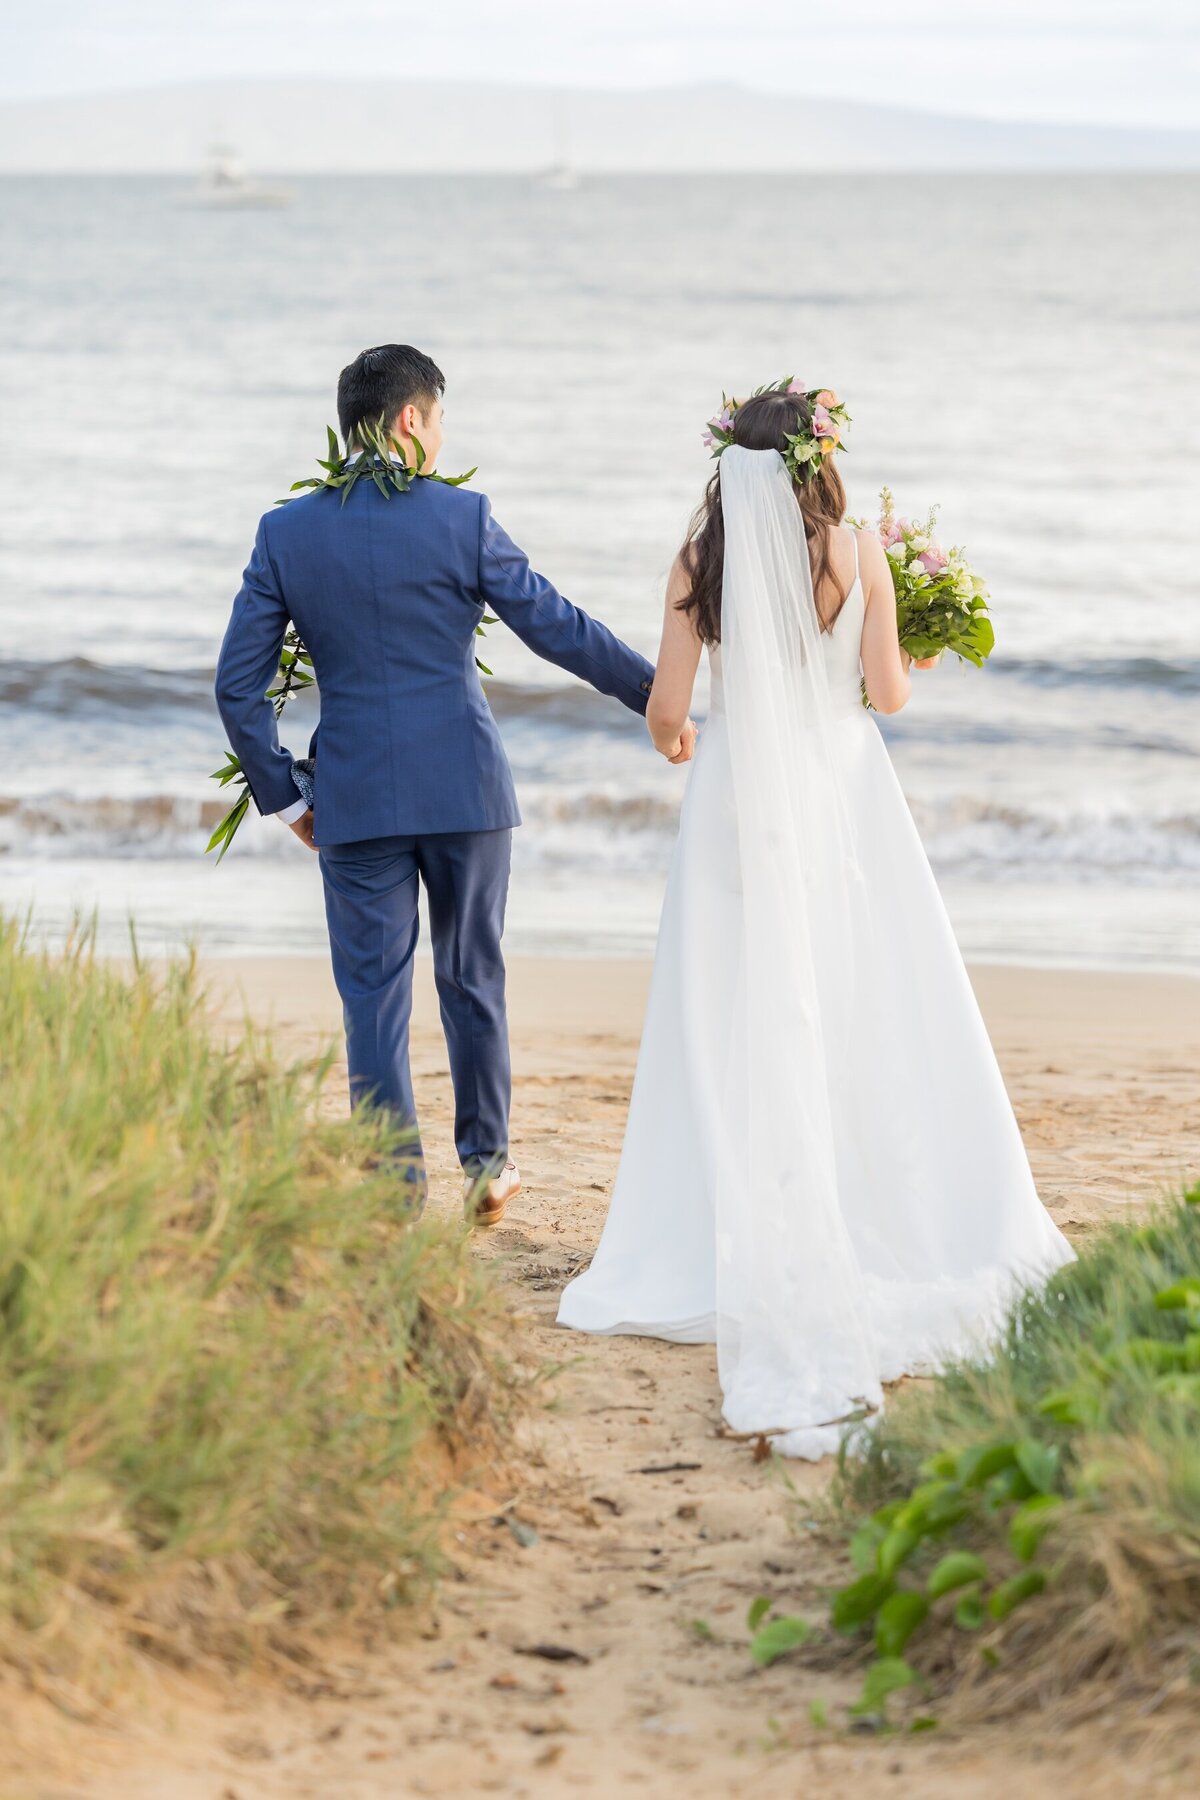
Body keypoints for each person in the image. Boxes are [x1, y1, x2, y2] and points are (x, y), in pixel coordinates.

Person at [557, 382, 1073, 1458]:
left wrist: (679, 744)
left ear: (731, 467)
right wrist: (908, 661)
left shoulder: (702, 561)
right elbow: (886, 699)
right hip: (843, 794)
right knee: (864, 994)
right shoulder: (857, 551)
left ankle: (706, 1230)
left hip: (742, 801)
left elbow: (667, 708)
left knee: (730, 1005)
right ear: (816, 461)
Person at [215, 344, 670, 1223]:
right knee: (472, 973)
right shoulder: (462, 517)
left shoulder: (287, 533)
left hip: (352, 802)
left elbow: (238, 687)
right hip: (466, 790)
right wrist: (657, 699)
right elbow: (554, 626)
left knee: (372, 992)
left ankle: (392, 1185)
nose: (439, 438)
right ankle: (487, 1164)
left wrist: (289, 795)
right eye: (439, 420)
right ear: (410, 420)